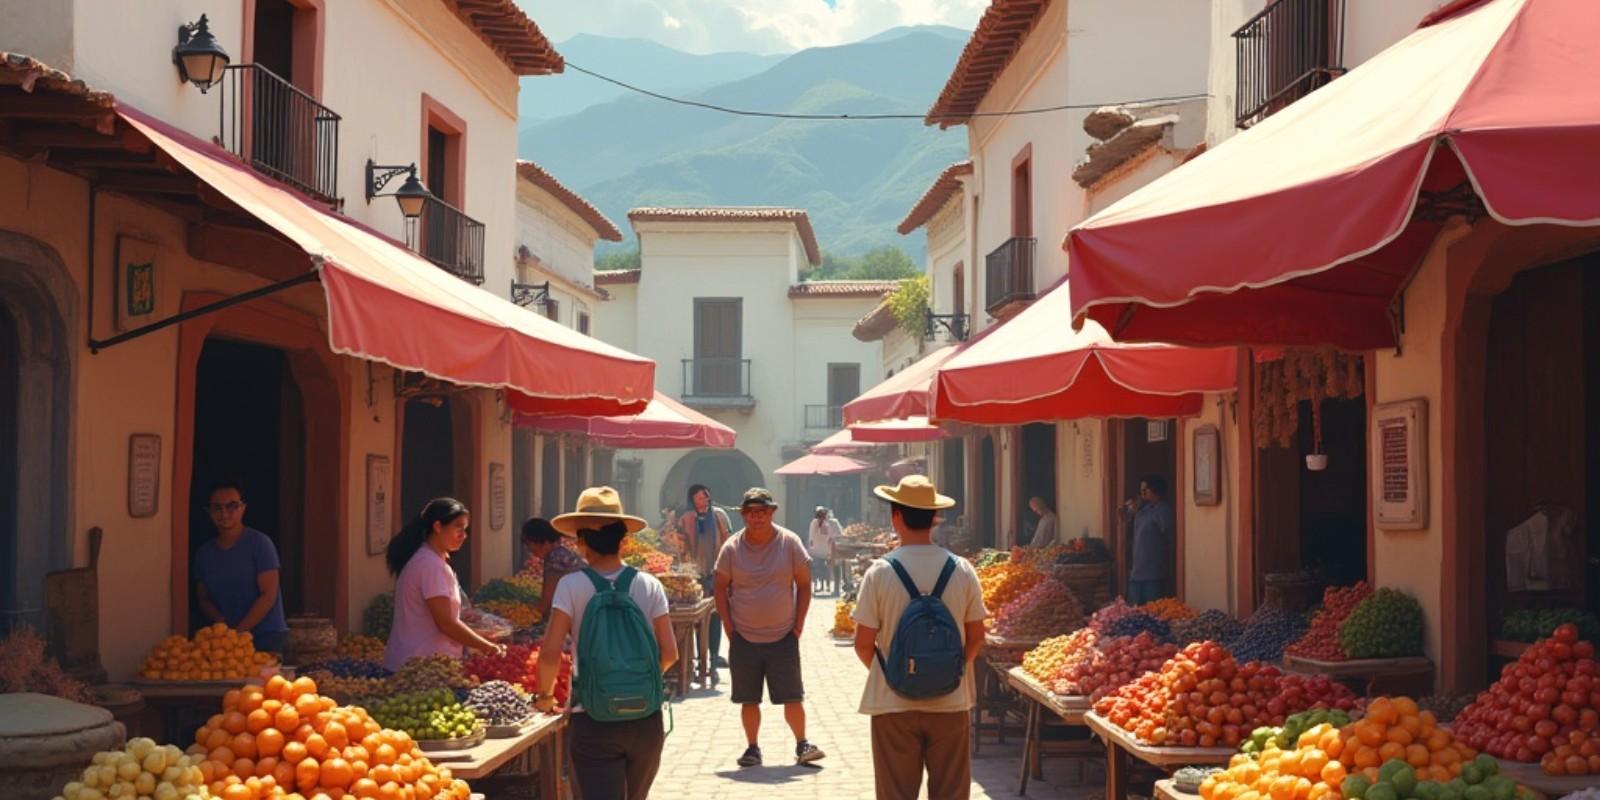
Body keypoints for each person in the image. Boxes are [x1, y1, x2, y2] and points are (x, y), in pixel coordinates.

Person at [534, 486, 677, 800]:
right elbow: (670, 653)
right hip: (645, 719)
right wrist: (636, 683)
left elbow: (549, 654)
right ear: (623, 540)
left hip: (593, 717)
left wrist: (545, 696)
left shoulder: (571, 586)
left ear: (581, 540)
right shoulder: (649, 585)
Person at [851, 475, 988, 800]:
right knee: (951, 793)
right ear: (935, 519)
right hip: (950, 703)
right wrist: (953, 669)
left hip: (892, 705)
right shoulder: (962, 569)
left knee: (895, 793)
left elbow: (862, 643)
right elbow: (977, 638)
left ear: (895, 516)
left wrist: (894, 674)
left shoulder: (879, 573)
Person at [715, 487, 825, 767]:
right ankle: (752, 748)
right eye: (751, 512)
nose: (757, 518)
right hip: (744, 636)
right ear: (743, 515)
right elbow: (719, 590)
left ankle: (802, 743)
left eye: (762, 512)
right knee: (748, 699)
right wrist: (730, 630)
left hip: (783, 634)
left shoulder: (789, 542)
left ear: (772, 513)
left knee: (792, 695)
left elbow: (803, 584)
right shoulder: (732, 547)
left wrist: (798, 626)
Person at [383, 498, 506, 671]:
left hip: (420, 664)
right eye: (458, 527)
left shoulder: (429, 560)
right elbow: (446, 623)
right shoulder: (431, 566)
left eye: (465, 529)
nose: (464, 535)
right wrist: (487, 647)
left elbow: (445, 617)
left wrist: (478, 633)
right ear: (438, 527)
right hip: (420, 667)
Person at [192, 478, 289, 653]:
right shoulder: (203, 554)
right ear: (209, 511)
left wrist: (239, 632)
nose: (224, 513)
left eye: (232, 506)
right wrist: (219, 621)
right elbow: (203, 598)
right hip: (226, 643)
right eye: (217, 507)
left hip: (266, 638)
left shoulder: (260, 544)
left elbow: (268, 595)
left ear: (243, 507)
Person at [679, 484, 732, 667]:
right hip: (694, 576)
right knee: (695, 618)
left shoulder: (719, 516)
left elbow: (728, 541)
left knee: (715, 615)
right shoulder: (686, 518)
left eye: (706, 497)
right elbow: (681, 545)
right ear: (693, 499)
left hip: (715, 573)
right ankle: (697, 657)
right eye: (700, 497)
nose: (704, 500)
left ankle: (714, 655)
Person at [521, 517, 588, 623]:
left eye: (530, 543)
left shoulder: (555, 558)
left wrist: (526, 620)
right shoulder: (559, 553)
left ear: (544, 542)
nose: (529, 549)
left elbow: (546, 601)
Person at [1121, 474, 1176, 605]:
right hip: (1136, 571)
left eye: (1145, 490)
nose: (1142, 493)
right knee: (1133, 611)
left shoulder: (1163, 511)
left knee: (1152, 610)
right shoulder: (1142, 510)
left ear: (1155, 490)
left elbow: (1170, 538)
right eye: (1141, 491)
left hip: (1153, 572)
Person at [808, 506, 841, 595]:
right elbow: (812, 537)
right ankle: (821, 586)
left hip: (827, 551)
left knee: (830, 568)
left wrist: (832, 539)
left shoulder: (829, 523)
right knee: (820, 569)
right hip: (820, 552)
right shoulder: (816, 523)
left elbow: (835, 535)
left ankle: (830, 588)